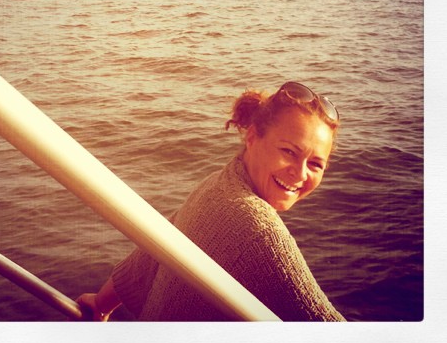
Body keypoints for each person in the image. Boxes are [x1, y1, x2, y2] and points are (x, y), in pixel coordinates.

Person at [77, 81, 346, 321]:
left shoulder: (218, 186)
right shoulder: (260, 231)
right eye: (288, 151)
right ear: (252, 137)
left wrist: (100, 305)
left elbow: (150, 255)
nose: (300, 174)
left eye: (315, 164)